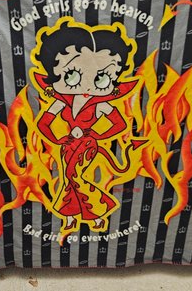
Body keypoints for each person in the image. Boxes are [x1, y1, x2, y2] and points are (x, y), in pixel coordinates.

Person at [31, 17, 138, 231]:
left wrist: (93, 135)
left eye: (102, 78)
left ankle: (95, 213)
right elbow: (44, 122)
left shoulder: (99, 104)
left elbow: (118, 124)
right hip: (68, 146)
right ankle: (75, 216)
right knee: (70, 179)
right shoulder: (63, 101)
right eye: (71, 76)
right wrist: (59, 139)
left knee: (74, 177)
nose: (88, 86)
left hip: (87, 146)